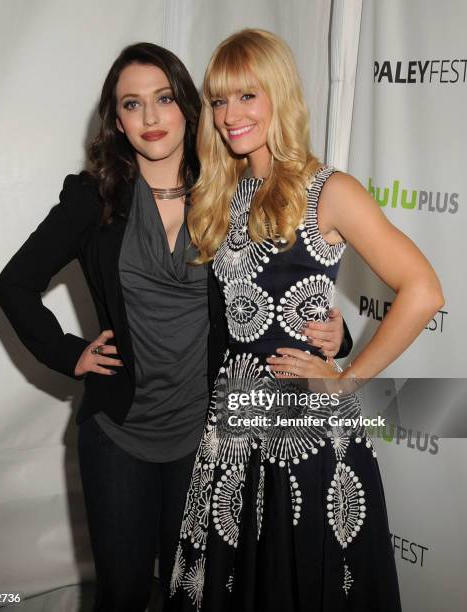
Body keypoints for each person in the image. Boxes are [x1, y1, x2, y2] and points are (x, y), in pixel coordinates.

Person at [0, 42, 351, 611]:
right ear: (116, 120)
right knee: (124, 594)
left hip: (207, 435)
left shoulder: (230, 189)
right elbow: (13, 285)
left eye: (163, 99)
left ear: (188, 106)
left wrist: (338, 334)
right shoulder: (93, 198)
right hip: (118, 434)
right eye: (132, 105)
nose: (151, 117)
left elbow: (283, 286)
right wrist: (70, 353)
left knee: (197, 597)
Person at [168, 29, 444, 612]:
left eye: (247, 96)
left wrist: (347, 377)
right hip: (234, 433)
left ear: (279, 96)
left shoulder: (330, 191)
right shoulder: (224, 195)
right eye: (219, 101)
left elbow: (423, 289)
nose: (229, 115)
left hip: (304, 433)